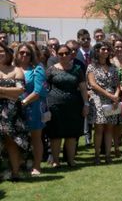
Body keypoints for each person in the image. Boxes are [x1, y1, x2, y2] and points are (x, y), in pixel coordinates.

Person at [46, 44, 89, 168]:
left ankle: (71, 160)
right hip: (54, 106)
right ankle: (56, 161)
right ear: (57, 55)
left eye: (66, 53)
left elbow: (83, 88)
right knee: (55, 135)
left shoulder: (77, 69)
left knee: (71, 135)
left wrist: (86, 104)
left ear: (70, 54)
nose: (64, 55)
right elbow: (44, 87)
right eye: (61, 53)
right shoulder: (51, 69)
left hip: (74, 106)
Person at [15, 43, 47, 176]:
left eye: (27, 53)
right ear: (16, 54)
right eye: (21, 52)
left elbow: (38, 91)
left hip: (33, 107)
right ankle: (19, 165)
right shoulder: (12, 68)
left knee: (35, 137)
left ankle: (37, 166)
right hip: (13, 108)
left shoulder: (37, 69)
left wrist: (24, 102)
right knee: (16, 138)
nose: (24, 55)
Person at [86, 42, 120, 164]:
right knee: (99, 128)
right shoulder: (91, 67)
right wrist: (110, 95)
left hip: (112, 101)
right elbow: (93, 85)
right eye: (103, 49)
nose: (106, 51)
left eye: (107, 49)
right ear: (97, 51)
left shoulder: (113, 68)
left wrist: (116, 96)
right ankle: (97, 156)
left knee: (109, 129)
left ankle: (108, 155)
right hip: (98, 100)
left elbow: (117, 85)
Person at [0, 43, 29, 179]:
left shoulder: (17, 70)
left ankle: (16, 173)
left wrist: (1, 91)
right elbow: (15, 91)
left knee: (12, 141)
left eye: (2, 51)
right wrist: (9, 93)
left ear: (7, 53)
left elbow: (20, 91)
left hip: (12, 113)